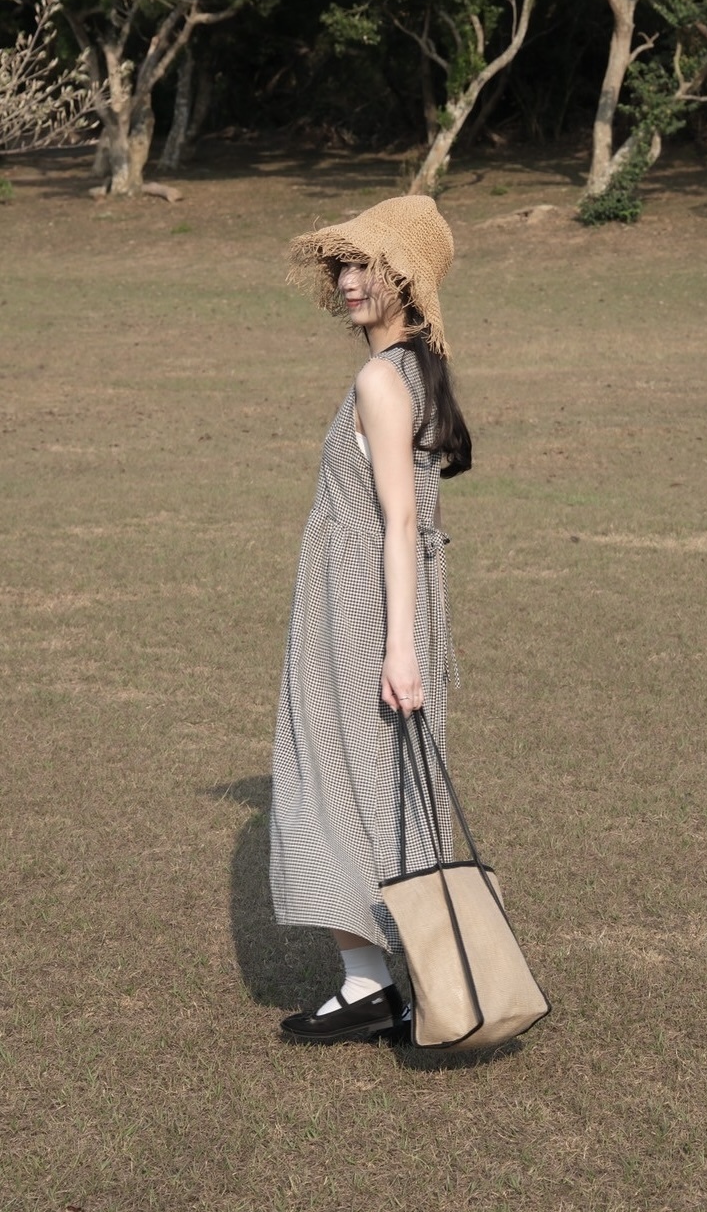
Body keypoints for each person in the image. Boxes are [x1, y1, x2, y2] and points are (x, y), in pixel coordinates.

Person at [270, 195, 472, 1044]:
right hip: (368, 596)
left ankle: (390, 981)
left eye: (368, 266)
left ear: (407, 283)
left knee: (331, 778)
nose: (350, 281)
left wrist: (398, 647)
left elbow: (399, 519)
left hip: (362, 604)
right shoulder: (413, 370)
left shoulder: (381, 379)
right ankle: (387, 980)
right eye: (344, 265)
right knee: (368, 781)